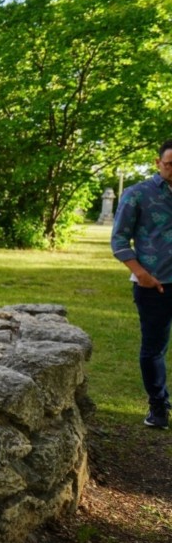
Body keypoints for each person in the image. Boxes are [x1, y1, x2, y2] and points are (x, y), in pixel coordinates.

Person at [110, 138, 172, 430]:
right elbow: (119, 239)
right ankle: (158, 407)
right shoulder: (137, 194)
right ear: (158, 163)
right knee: (154, 348)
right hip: (154, 287)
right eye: (170, 164)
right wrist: (141, 273)